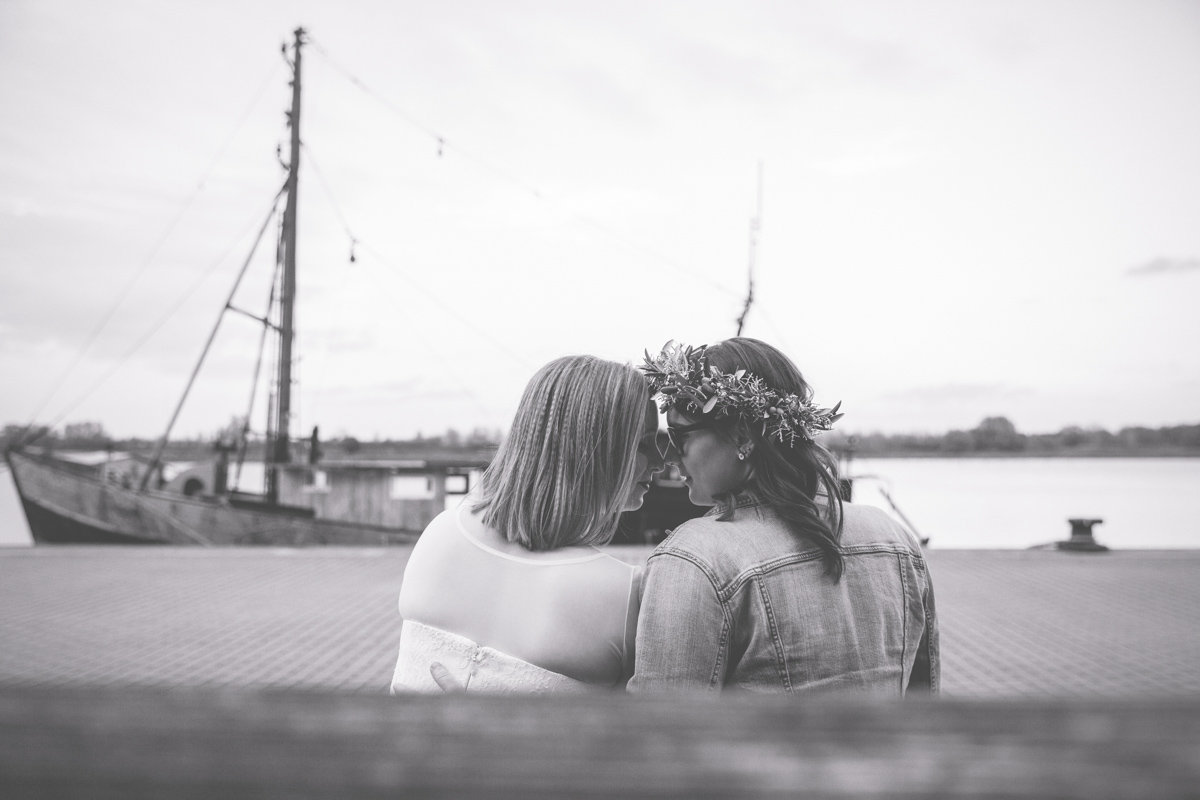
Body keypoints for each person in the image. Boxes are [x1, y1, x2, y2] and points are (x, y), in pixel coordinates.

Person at [628, 338, 938, 694]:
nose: (669, 457)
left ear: (742, 435)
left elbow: (664, 729)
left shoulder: (693, 559)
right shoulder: (894, 538)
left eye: (679, 436)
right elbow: (924, 698)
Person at [391, 355, 662, 694]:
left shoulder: (441, 532)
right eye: (642, 443)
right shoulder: (623, 593)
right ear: (592, 448)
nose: (660, 462)